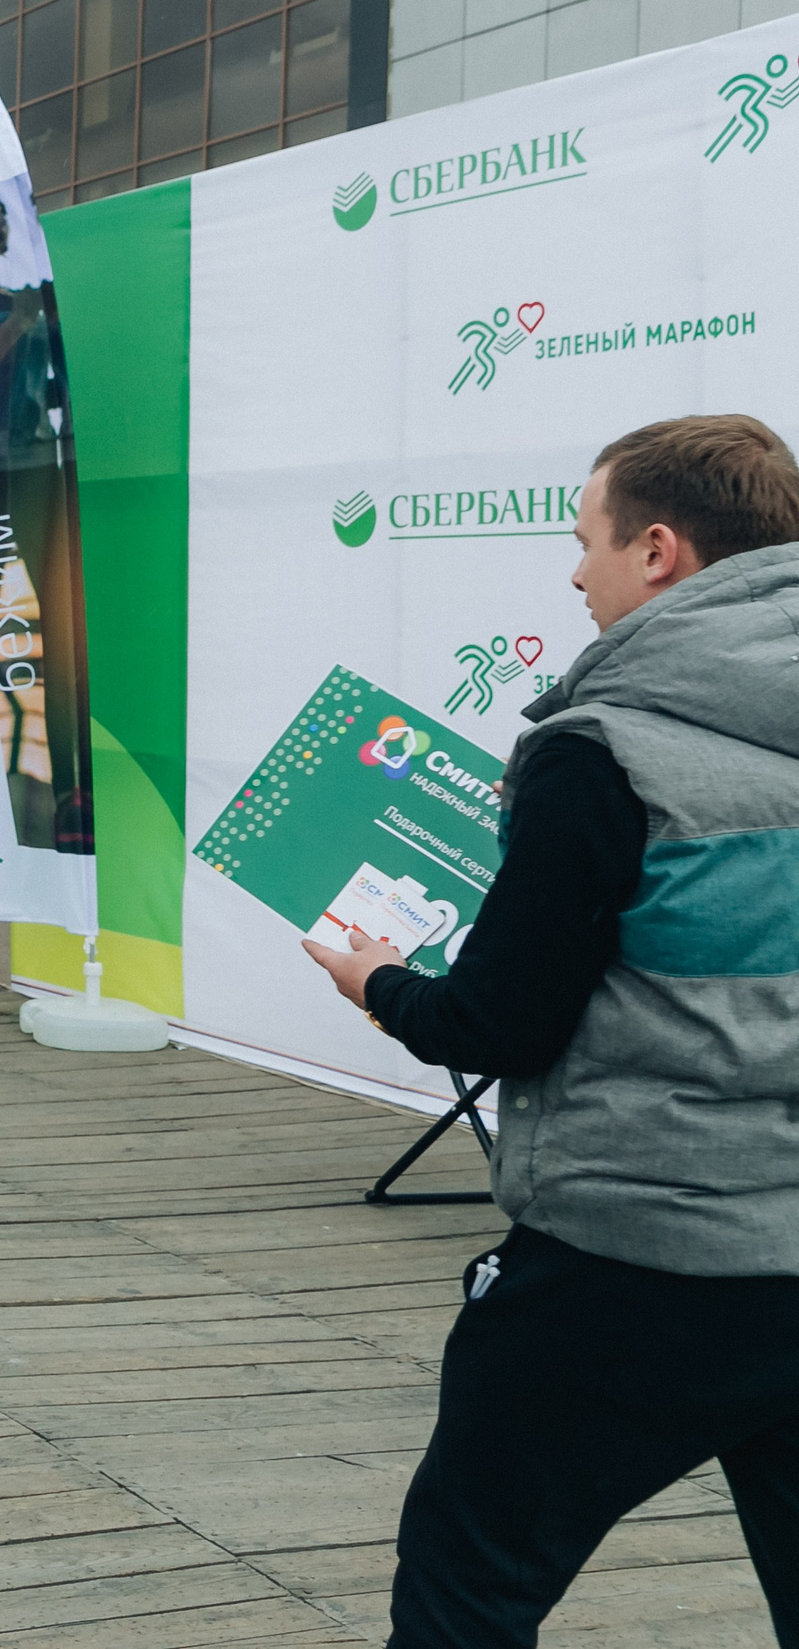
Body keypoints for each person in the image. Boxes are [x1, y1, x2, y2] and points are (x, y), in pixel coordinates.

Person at [296, 414, 799, 1645]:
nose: (573, 574)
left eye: (585, 543)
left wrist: (378, 982)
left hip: (632, 1257)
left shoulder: (598, 753)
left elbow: (501, 1020)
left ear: (660, 551)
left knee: (469, 1580)